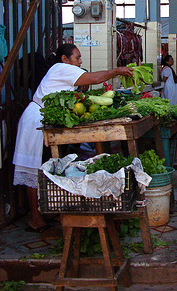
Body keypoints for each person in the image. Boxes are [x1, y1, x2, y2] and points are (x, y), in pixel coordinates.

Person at [12, 44, 133, 232]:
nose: (80, 61)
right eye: (77, 58)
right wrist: (117, 71)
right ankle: (35, 219)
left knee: (45, 167)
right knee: (34, 170)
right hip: (34, 122)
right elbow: (92, 78)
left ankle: (45, 211)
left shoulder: (63, 71)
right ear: (65, 59)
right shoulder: (60, 68)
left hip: (43, 121)